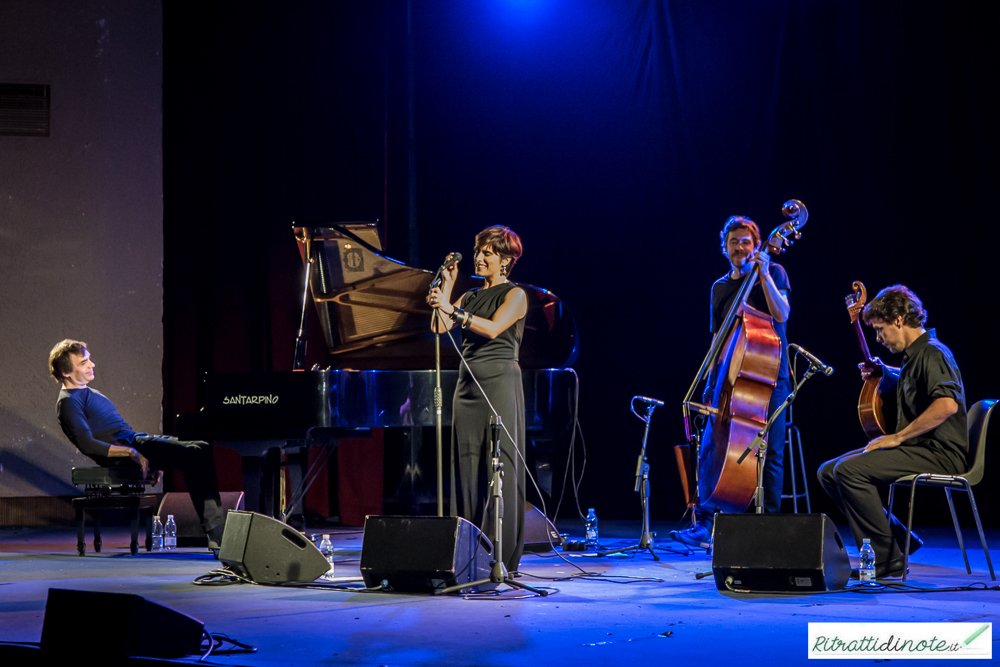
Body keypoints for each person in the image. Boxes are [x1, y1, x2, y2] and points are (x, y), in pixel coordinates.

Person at [817, 285, 966, 578]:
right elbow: (913, 383)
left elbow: (947, 404)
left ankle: (887, 560)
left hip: (940, 452)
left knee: (849, 472)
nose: (878, 338)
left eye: (881, 329)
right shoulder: (915, 355)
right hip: (920, 448)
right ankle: (898, 539)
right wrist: (885, 371)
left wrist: (897, 437)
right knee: (827, 472)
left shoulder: (933, 353)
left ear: (899, 319)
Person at [670, 215, 792, 546]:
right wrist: (710, 384)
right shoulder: (720, 287)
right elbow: (717, 341)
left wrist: (764, 273)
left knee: (769, 454)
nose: (740, 246)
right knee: (715, 450)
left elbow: (781, 314)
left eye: (747, 241)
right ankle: (709, 524)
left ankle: (769, 529)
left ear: (757, 245)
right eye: (734, 241)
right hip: (728, 381)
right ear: (725, 248)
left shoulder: (774, 273)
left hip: (769, 378)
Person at [49, 339, 226, 553]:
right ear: (67, 372)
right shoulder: (68, 402)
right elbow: (87, 445)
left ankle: (216, 530)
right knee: (194, 453)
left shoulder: (87, 393)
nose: (92, 364)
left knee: (202, 447)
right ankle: (216, 533)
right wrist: (131, 453)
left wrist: (157, 457)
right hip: (127, 446)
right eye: (84, 362)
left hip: (135, 440)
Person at [426, 226, 528, 574]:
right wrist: (449, 288)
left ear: (505, 260)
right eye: (478, 251)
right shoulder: (469, 295)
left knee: (499, 463)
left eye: (488, 253)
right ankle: (468, 551)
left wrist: (451, 312)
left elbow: (493, 328)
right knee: (467, 467)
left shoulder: (514, 295)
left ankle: (500, 554)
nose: (479, 257)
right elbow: (440, 328)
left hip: (499, 382)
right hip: (467, 385)